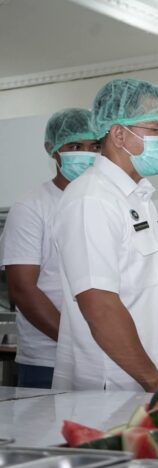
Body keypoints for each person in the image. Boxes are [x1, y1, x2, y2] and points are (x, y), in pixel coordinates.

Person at [52, 78, 158, 391]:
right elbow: (100, 306)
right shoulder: (91, 198)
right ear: (119, 134)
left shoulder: (139, 197)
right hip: (113, 385)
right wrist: (154, 383)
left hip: (150, 379)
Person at [0, 108, 100, 388]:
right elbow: (23, 289)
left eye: (95, 146)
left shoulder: (105, 204)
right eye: (76, 146)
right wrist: (77, 344)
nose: (87, 154)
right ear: (53, 150)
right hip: (49, 361)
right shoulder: (32, 207)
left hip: (106, 357)